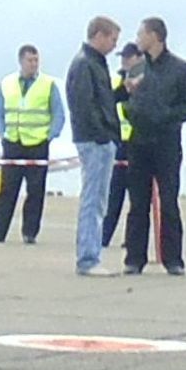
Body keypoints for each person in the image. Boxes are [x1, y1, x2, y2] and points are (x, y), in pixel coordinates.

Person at [121, 16, 186, 277]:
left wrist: (167, 115)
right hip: (139, 142)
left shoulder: (181, 69)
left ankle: (173, 259)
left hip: (167, 142)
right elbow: (123, 99)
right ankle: (134, 259)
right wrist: (131, 110)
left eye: (141, 34)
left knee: (168, 201)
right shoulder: (136, 68)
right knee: (138, 203)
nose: (137, 39)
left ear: (155, 36)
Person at [0, 45, 62, 245]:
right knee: (7, 189)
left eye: (36, 60)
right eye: (30, 60)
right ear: (21, 61)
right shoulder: (7, 83)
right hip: (13, 142)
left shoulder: (48, 84)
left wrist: (50, 136)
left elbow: (58, 113)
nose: (33, 64)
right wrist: (2, 133)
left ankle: (29, 233)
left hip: (37, 144)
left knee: (35, 190)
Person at [63, 16, 123, 276]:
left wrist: (124, 92)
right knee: (93, 200)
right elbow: (85, 106)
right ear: (99, 35)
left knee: (98, 199)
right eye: (112, 39)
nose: (113, 45)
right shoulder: (85, 64)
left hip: (99, 139)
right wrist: (103, 135)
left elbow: (104, 99)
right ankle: (88, 258)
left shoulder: (95, 64)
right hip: (94, 141)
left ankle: (91, 254)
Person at [101, 42, 142, 248]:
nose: (124, 61)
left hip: (139, 142)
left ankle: (132, 240)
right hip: (118, 143)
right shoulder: (115, 80)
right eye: (123, 57)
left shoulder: (146, 79)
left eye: (129, 57)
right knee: (113, 194)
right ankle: (104, 238)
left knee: (137, 196)